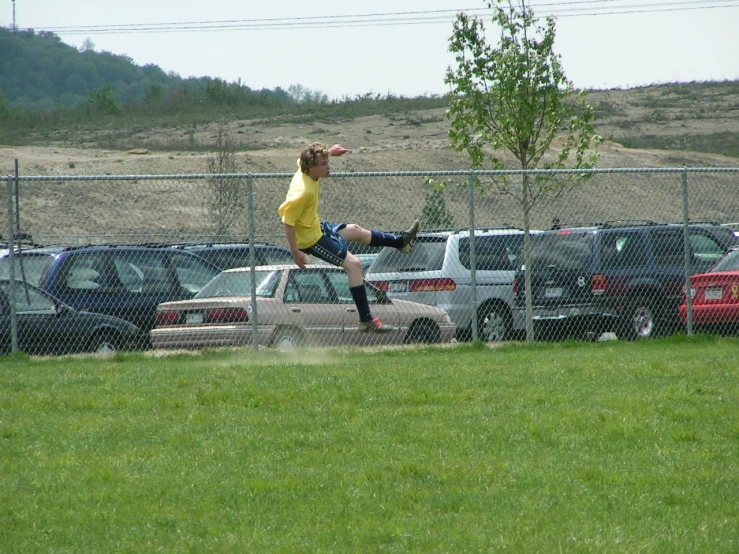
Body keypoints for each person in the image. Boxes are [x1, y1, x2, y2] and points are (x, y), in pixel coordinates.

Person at [279, 142, 419, 333]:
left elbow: (306, 156)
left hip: (316, 228)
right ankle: (365, 319)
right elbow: (288, 221)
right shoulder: (302, 193)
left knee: (355, 230)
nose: (328, 167)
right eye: (324, 164)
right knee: (354, 265)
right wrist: (295, 252)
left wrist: (330, 153)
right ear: (311, 167)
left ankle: (401, 243)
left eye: (328, 162)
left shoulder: (304, 167)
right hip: (312, 241)